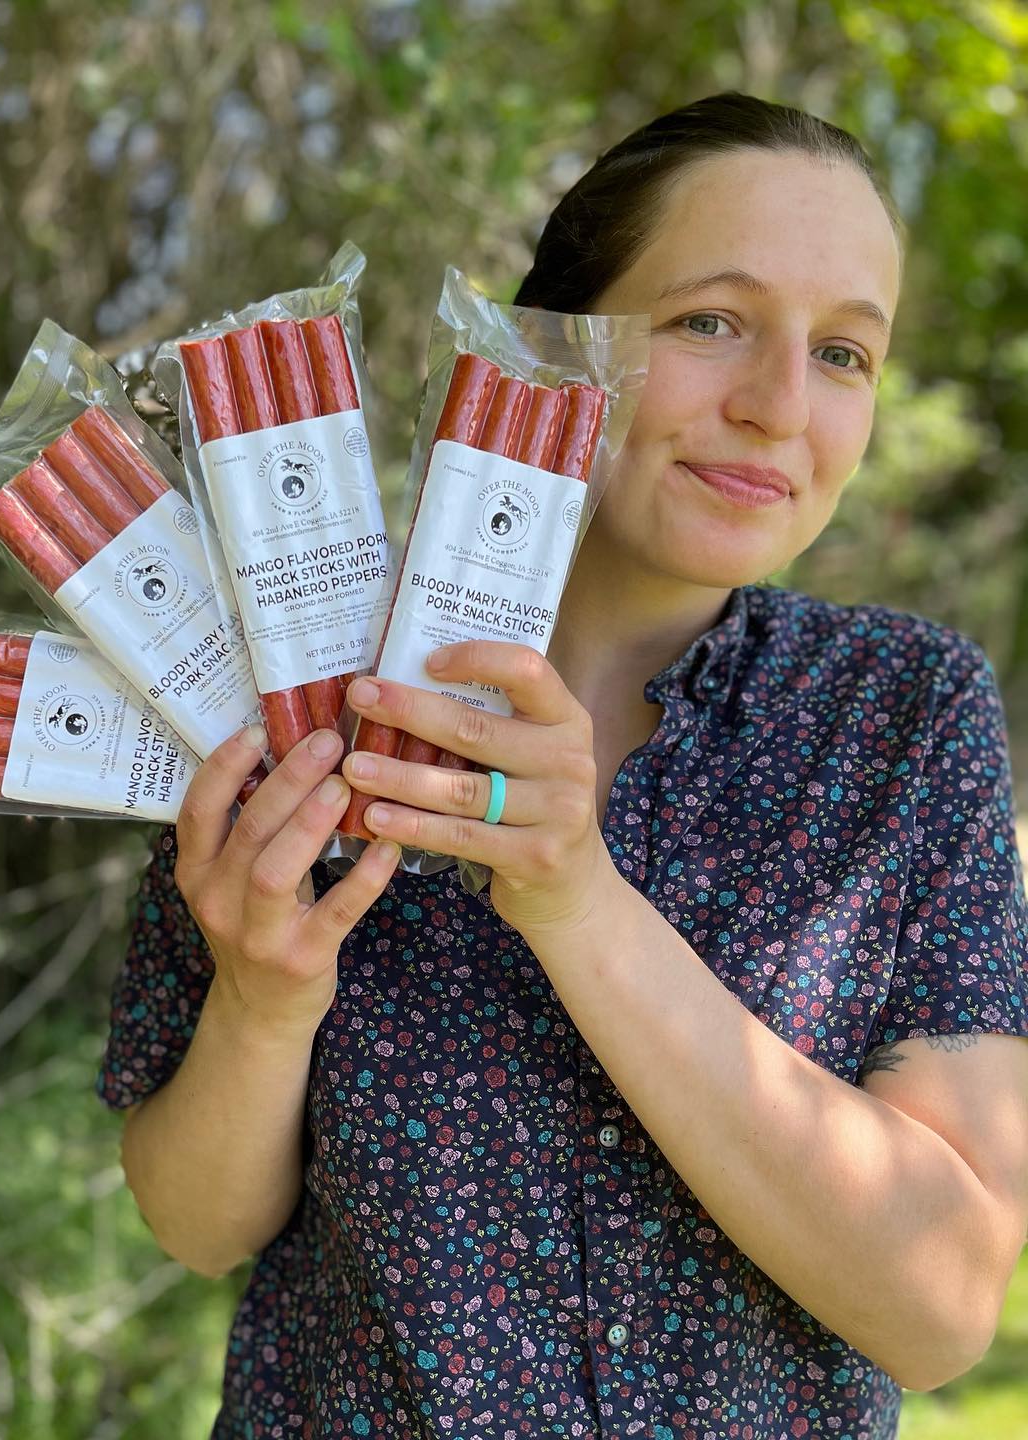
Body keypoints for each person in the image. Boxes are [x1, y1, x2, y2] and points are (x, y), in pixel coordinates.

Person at [95, 93, 1028, 1439]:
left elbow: (939, 1309)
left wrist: (576, 902)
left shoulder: (902, 714)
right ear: (555, 350)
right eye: (710, 323)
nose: (777, 407)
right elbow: (196, 1225)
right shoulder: (306, 680)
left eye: (842, 353)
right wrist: (260, 1004)